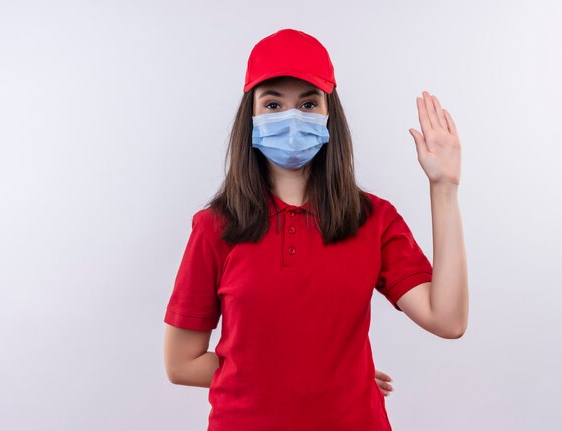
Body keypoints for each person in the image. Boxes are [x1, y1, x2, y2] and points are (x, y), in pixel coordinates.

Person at [163, 28, 468, 431]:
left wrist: (443, 188)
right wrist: (310, 380)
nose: (292, 118)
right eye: (273, 103)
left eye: (309, 103)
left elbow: (447, 320)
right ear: (251, 117)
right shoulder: (215, 227)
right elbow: (181, 363)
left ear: (329, 114)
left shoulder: (373, 219)